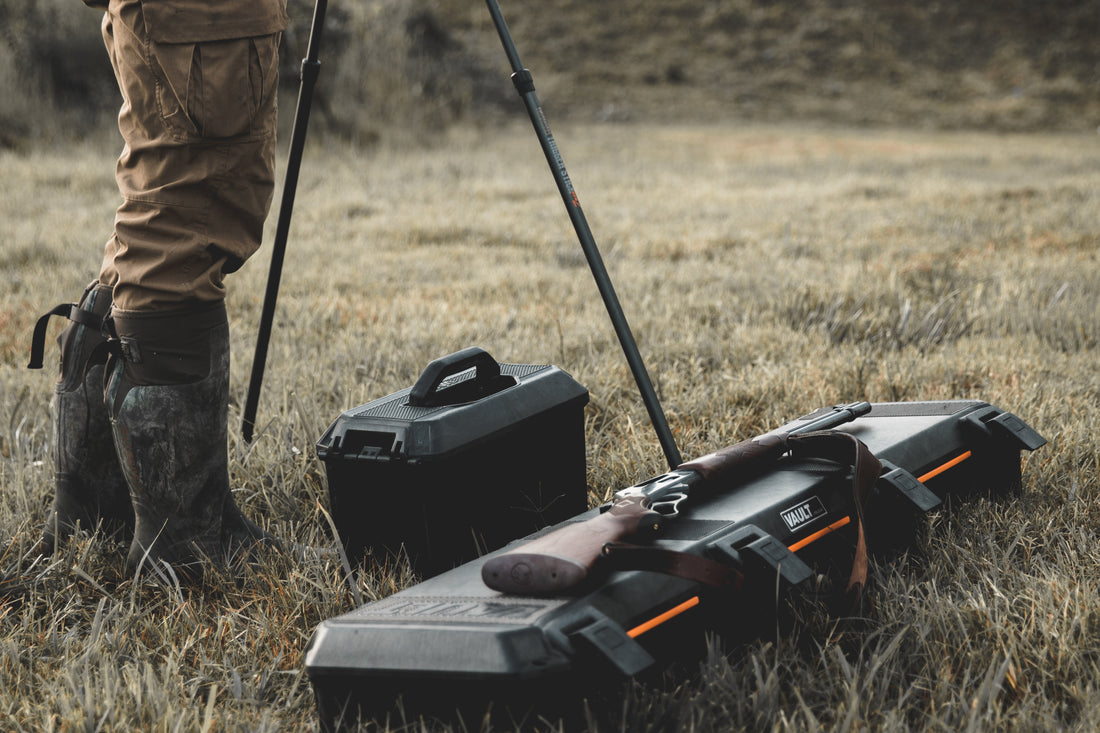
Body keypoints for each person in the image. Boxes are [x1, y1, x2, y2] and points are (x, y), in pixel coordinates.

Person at [30, 0, 289, 576]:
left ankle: (102, 505)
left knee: (161, 209)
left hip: (178, 15)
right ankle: (185, 541)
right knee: (189, 214)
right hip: (199, 15)